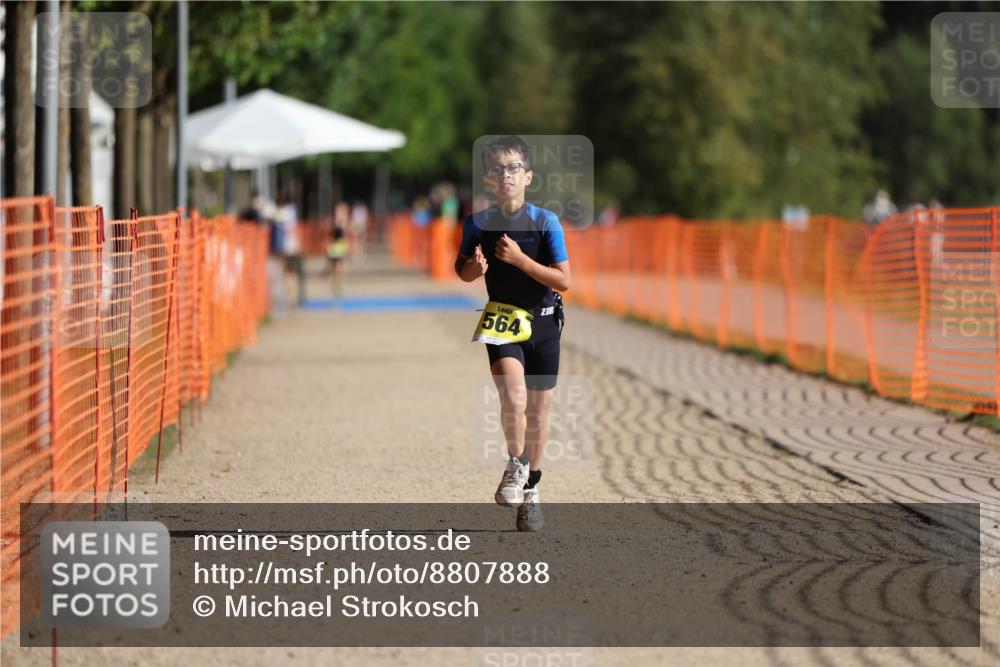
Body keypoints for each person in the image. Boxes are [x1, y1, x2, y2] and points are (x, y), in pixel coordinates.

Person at [455, 135, 571, 532]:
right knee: (514, 396)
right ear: (488, 179)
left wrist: (521, 260)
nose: (506, 175)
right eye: (497, 169)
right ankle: (515, 464)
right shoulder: (477, 223)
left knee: (539, 413)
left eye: (513, 168)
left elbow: (564, 279)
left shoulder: (544, 222)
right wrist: (477, 267)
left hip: (542, 323)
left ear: (528, 176)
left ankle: (532, 489)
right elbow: (464, 271)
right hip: (502, 320)